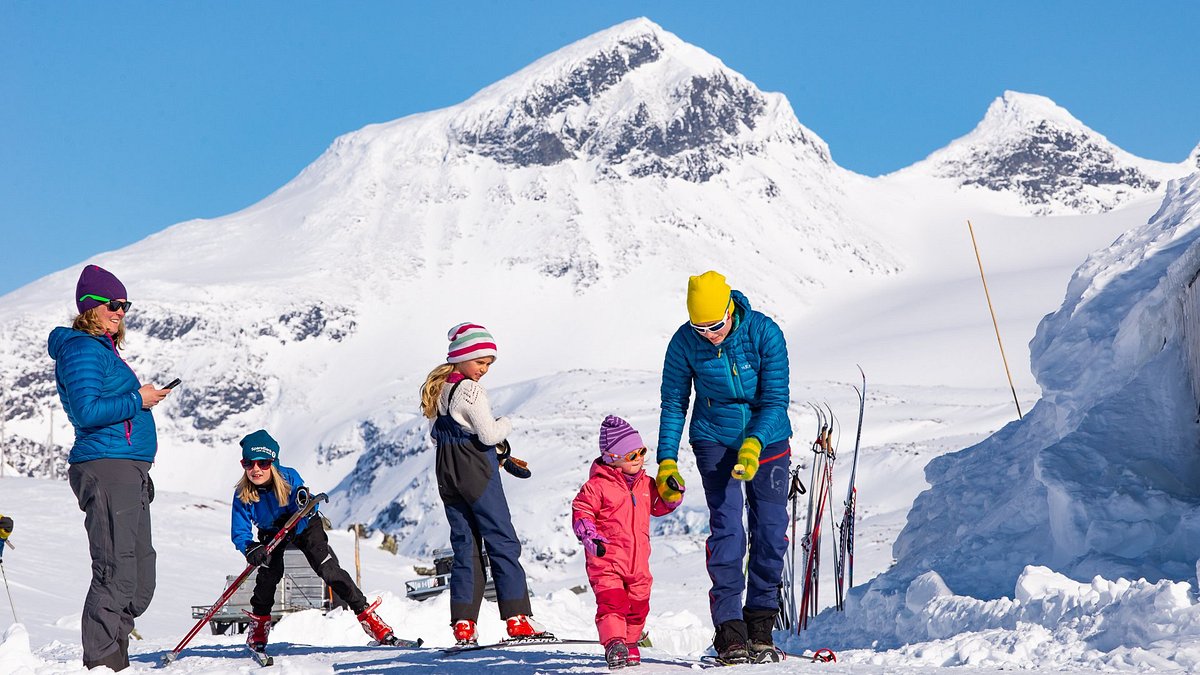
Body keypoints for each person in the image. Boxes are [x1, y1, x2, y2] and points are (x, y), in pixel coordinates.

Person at [655, 271, 793, 664]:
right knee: (728, 530)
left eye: (716, 325)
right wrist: (667, 460)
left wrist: (754, 442)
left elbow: (776, 399)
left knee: (770, 529)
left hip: (766, 441)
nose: (710, 334)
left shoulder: (765, 333)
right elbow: (673, 403)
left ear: (731, 308)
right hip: (714, 439)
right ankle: (730, 631)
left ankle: (761, 625)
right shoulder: (684, 343)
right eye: (701, 327)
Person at [48, 264, 172, 671]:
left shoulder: (101, 351)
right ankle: (103, 664)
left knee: (139, 577)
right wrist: (140, 399)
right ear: (90, 307)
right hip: (104, 465)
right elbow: (86, 411)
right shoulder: (81, 348)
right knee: (115, 570)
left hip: (128, 469)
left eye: (124, 305)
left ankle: (115, 658)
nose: (120, 311)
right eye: (112, 304)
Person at [419, 322, 545, 646]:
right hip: (477, 472)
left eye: (488, 364)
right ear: (462, 357)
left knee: (465, 548)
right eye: (480, 362)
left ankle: (463, 625)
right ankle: (518, 620)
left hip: (446, 473)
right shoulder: (471, 391)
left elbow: (436, 435)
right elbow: (488, 434)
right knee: (501, 540)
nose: (484, 370)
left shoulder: (439, 390)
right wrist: (507, 423)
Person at [230, 429, 396, 650]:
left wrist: (300, 511)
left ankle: (369, 619)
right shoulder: (243, 493)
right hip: (272, 532)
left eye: (263, 463)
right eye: (249, 463)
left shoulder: (289, 478)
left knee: (328, 570)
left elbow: (307, 503)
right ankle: (259, 626)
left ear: (273, 462)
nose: (256, 469)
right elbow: (239, 530)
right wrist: (251, 548)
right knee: (269, 576)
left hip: (304, 526)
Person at [571, 415, 684, 669]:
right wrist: (590, 535)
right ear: (613, 459)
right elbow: (582, 511)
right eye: (632, 455)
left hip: (638, 562)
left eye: (642, 452)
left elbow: (658, 506)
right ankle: (615, 643)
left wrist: (673, 495)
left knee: (638, 606)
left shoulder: (645, 483)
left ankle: (630, 644)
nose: (640, 459)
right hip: (606, 560)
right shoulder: (597, 486)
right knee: (613, 603)